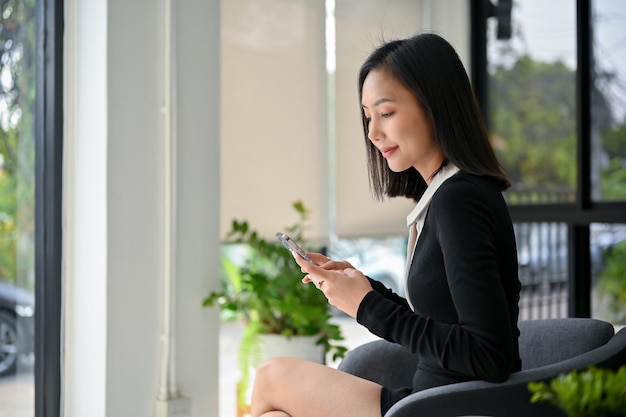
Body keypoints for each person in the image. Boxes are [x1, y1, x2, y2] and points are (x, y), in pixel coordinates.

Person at [250, 32, 521, 417]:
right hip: (429, 399)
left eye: (386, 113)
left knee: (271, 377)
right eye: (367, 117)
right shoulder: (448, 194)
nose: (373, 133)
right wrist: (364, 289)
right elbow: (441, 322)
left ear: (434, 105)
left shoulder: (459, 199)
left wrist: (366, 307)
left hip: (448, 406)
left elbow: (489, 355)